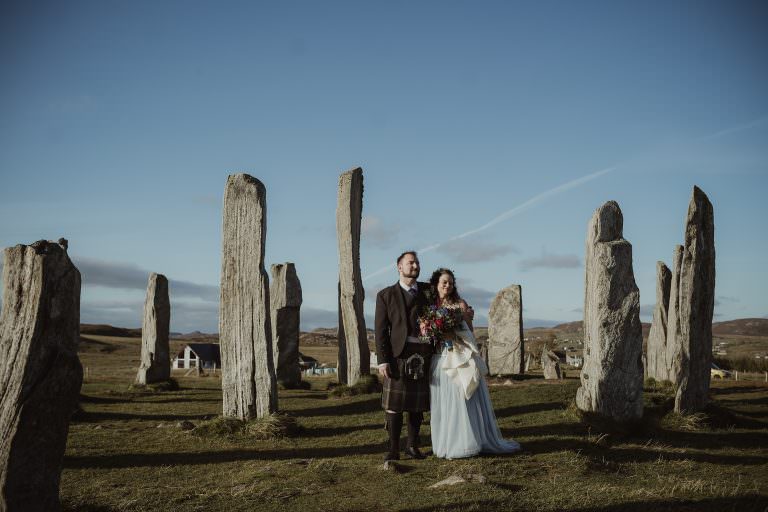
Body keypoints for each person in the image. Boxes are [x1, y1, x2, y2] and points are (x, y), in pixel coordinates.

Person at [428, 268, 521, 459]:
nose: (448, 285)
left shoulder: (460, 305)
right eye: (444, 282)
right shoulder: (430, 306)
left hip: (459, 357)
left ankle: (465, 442)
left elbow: (469, 330)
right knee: (444, 403)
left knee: (462, 401)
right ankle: (446, 442)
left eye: (451, 283)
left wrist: (458, 327)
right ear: (436, 284)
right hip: (440, 358)